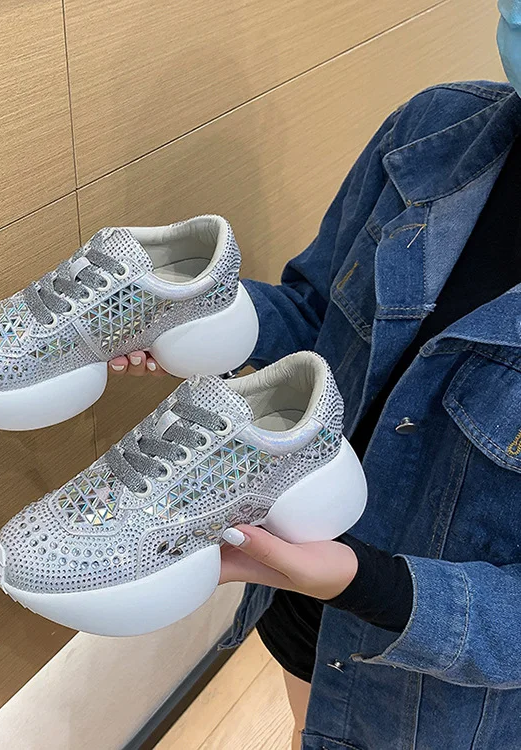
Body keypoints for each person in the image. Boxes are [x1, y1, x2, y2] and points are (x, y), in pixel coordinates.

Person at [108, 2, 521, 748]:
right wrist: (193, 314)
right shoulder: (434, 129)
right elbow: (318, 315)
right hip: (298, 597)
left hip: (429, 680)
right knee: (309, 726)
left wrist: (366, 583)